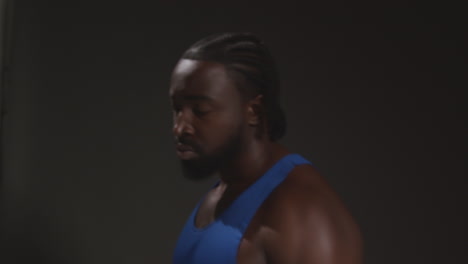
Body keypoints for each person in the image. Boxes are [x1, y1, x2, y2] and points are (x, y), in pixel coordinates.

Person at [169, 32, 362, 264]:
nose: (180, 128)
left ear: (254, 112)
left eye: (200, 110)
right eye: (177, 109)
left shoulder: (304, 213)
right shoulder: (220, 194)